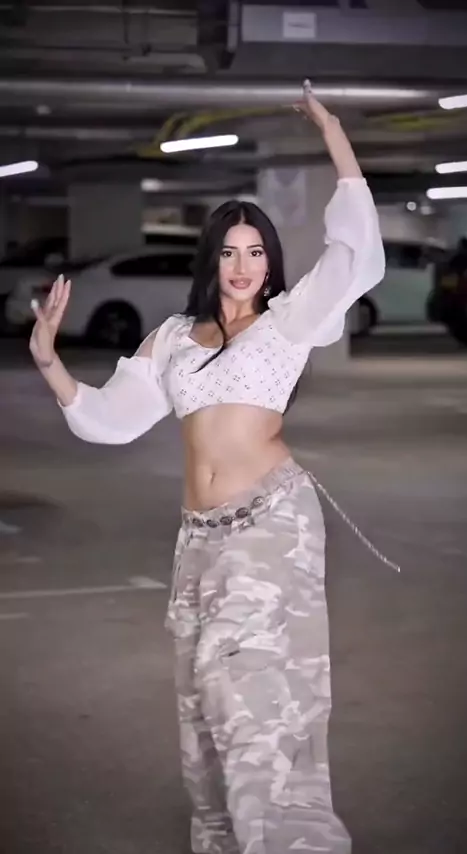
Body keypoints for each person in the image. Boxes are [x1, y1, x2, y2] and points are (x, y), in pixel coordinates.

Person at [29, 80, 387, 854]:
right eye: (229, 251)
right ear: (211, 259)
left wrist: (333, 134)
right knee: (201, 705)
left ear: (271, 262)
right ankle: (224, 839)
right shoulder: (171, 338)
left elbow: (355, 252)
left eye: (256, 252)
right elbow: (111, 419)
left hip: (272, 522)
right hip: (199, 537)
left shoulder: (291, 320)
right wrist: (50, 362)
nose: (243, 265)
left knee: (250, 694)